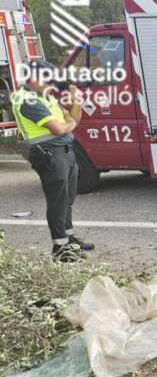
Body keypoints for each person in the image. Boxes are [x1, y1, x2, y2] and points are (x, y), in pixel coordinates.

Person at [9, 60, 93, 261]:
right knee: (57, 202)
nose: (50, 84)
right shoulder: (26, 100)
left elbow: (72, 121)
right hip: (49, 155)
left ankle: (69, 239)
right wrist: (69, 123)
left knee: (68, 199)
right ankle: (60, 248)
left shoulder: (44, 96)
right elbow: (59, 128)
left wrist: (77, 102)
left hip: (65, 152)